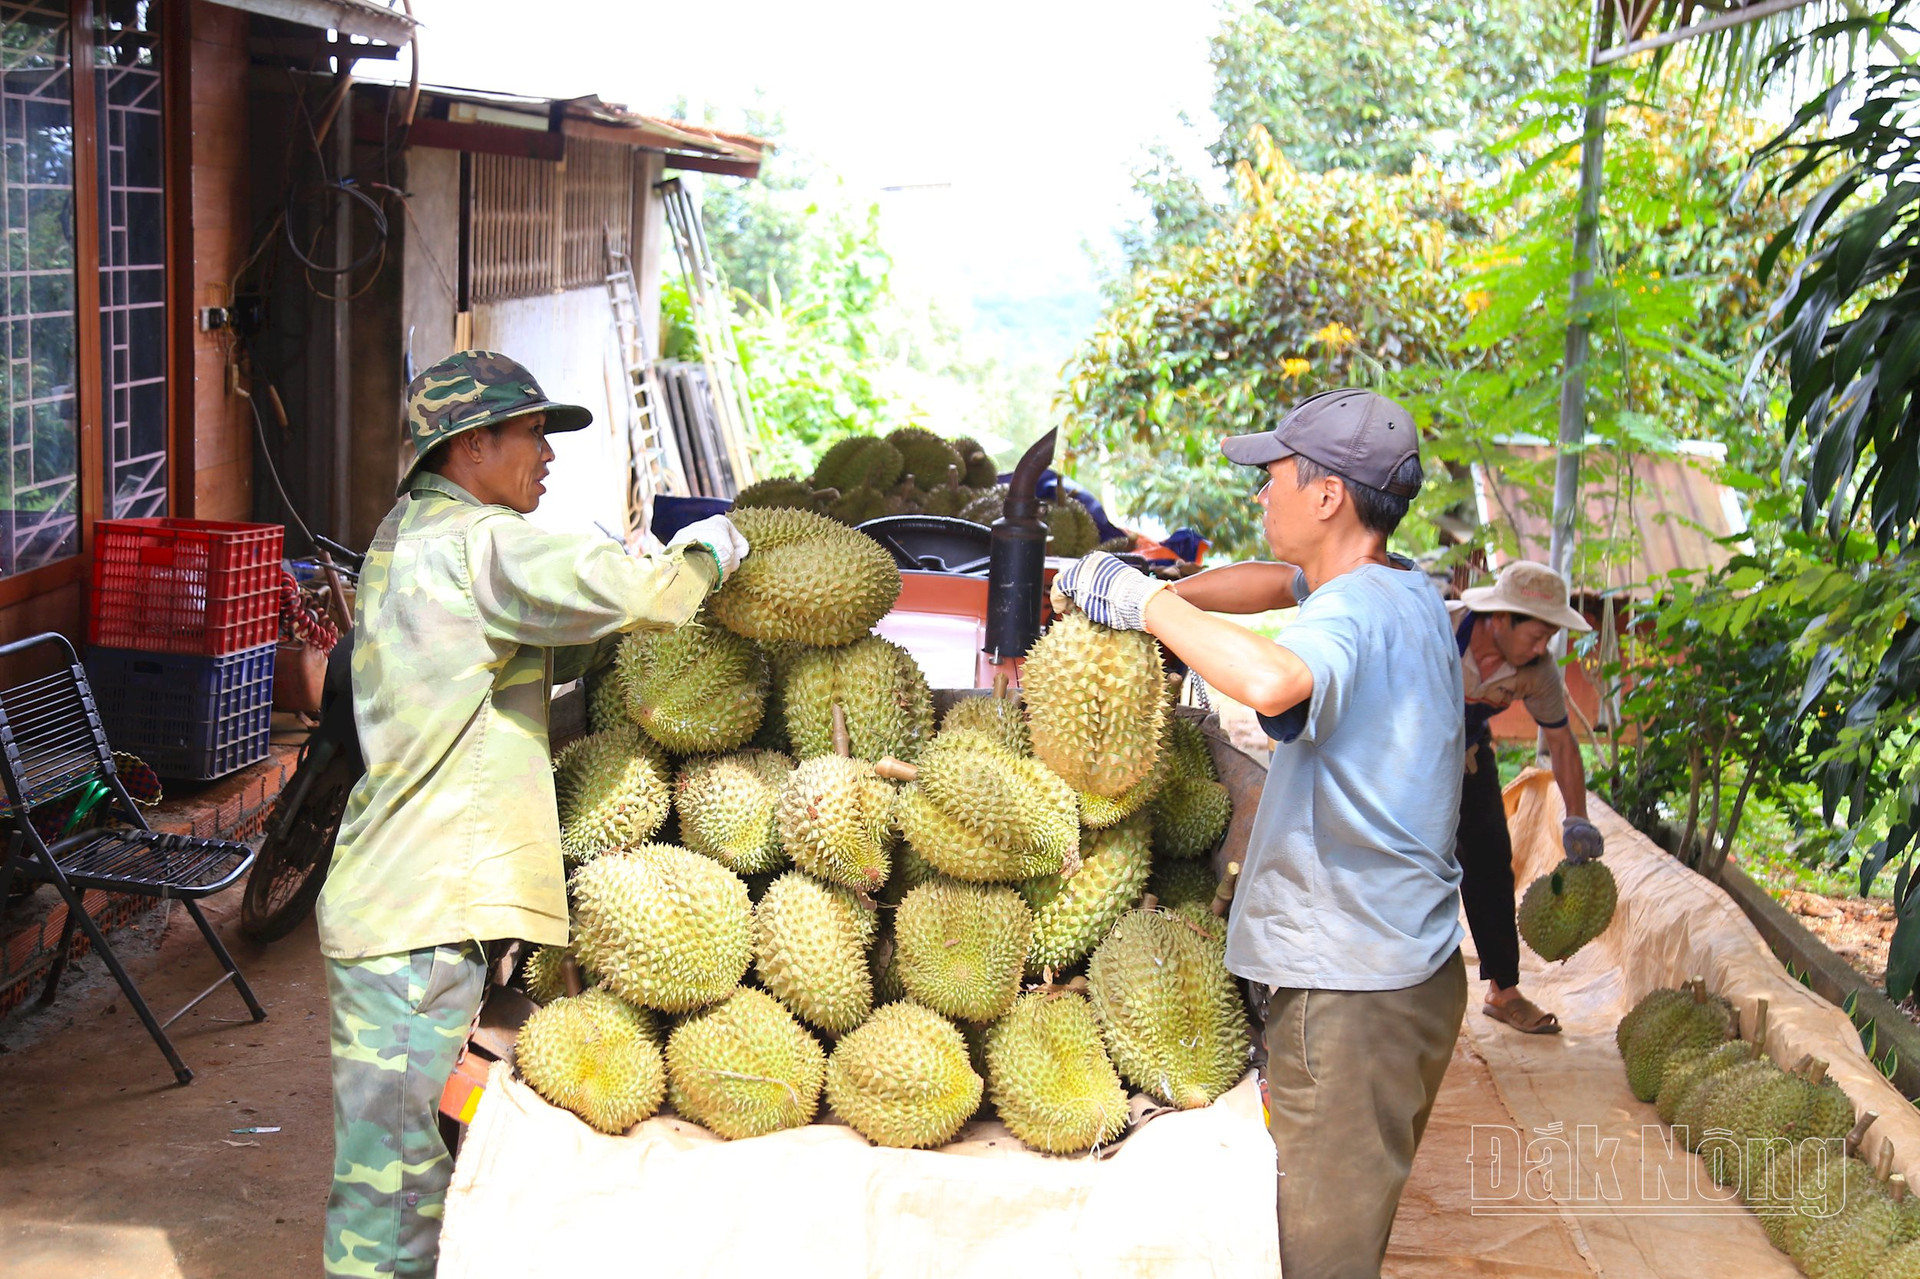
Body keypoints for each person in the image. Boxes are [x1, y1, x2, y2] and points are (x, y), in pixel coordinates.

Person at [313, 350, 748, 1279]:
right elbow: (651, 594)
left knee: (413, 1157)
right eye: (532, 434)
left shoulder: (406, 536)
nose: (546, 455)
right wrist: (715, 545)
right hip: (417, 910)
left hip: (404, 896)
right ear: (472, 444)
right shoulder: (484, 545)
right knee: (386, 1191)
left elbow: (510, 655)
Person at [1055, 387, 1466, 1279]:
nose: (1259, 494)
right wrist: (1155, 595)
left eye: (1271, 477)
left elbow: (1276, 680)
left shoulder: (1352, 616)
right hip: (1408, 970)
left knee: (1316, 1261)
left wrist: (1148, 609)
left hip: (1353, 995)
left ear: (1326, 497)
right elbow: (1271, 583)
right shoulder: (1400, 586)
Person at [1449, 560, 1602, 1034]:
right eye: (1535, 636)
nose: (1542, 648)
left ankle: (1504, 991)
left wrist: (1576, 817)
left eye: (1549, 639)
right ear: (1499, 618)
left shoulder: (1538, 673)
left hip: (1469, 754)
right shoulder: (1440, 626)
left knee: (1492, 859)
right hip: (1403, 753)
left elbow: (1561, 742)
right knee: (1405, 864)